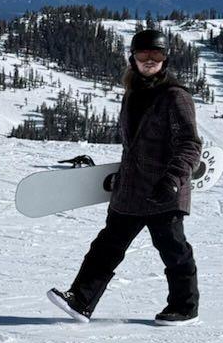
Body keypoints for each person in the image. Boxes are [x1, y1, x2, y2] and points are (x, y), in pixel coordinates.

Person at [48, 28, 203, 326]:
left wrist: (172, 179)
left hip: (163, 189)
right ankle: (80, 300)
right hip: (131, 189)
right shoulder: (133, 94)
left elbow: (190, 144)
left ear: (165, 59)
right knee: (106, 246)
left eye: (155, 56)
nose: (149, 61)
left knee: (173, 250)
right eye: (143, 55)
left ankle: (185, 307)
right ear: (132, 58)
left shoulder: (175, 96)